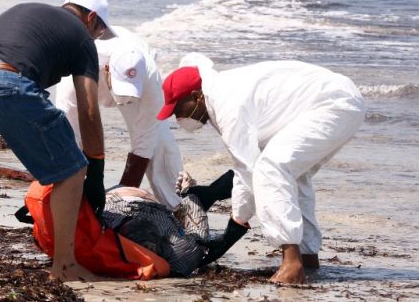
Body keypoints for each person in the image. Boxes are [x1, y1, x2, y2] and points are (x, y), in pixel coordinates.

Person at [156, 54, 366, 284]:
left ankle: (292, 265)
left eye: (179, 109)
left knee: (271, 168)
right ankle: (307, 257)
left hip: (332, 103)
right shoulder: (219, 94)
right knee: (293, 176)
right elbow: (246, 167)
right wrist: (225, 203)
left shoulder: (228, 105)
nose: (178, 118)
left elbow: (249, 170)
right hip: (338, 99)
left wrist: (234, 229)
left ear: (197, 96)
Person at [0, 0, 111, 281]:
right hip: (6, 78)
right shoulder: (82, 37)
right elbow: (88, 110)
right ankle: (65, 267)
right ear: (91, 18)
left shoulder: (31, 12)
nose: (96, 38)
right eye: (99, 32)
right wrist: (96, 169)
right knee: (71, 171)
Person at [56, 26, 183, 208]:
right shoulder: (76, 70)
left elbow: (144, 144)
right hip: (89, 77)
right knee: (70, 140)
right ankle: (68, 203)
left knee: (160, 143)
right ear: (107, 69)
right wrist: (87, 183)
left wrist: (123, 195)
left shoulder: (150, 78)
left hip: (141, 89)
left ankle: (178, 207)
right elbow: (70, 136)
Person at [102, 170, 235, 276]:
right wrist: (188, 192)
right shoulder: (183, 255)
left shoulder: (106, 227)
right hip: (126, 197)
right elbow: (199, 232)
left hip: (121, 197)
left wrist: (189, 193)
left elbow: (199, 231)